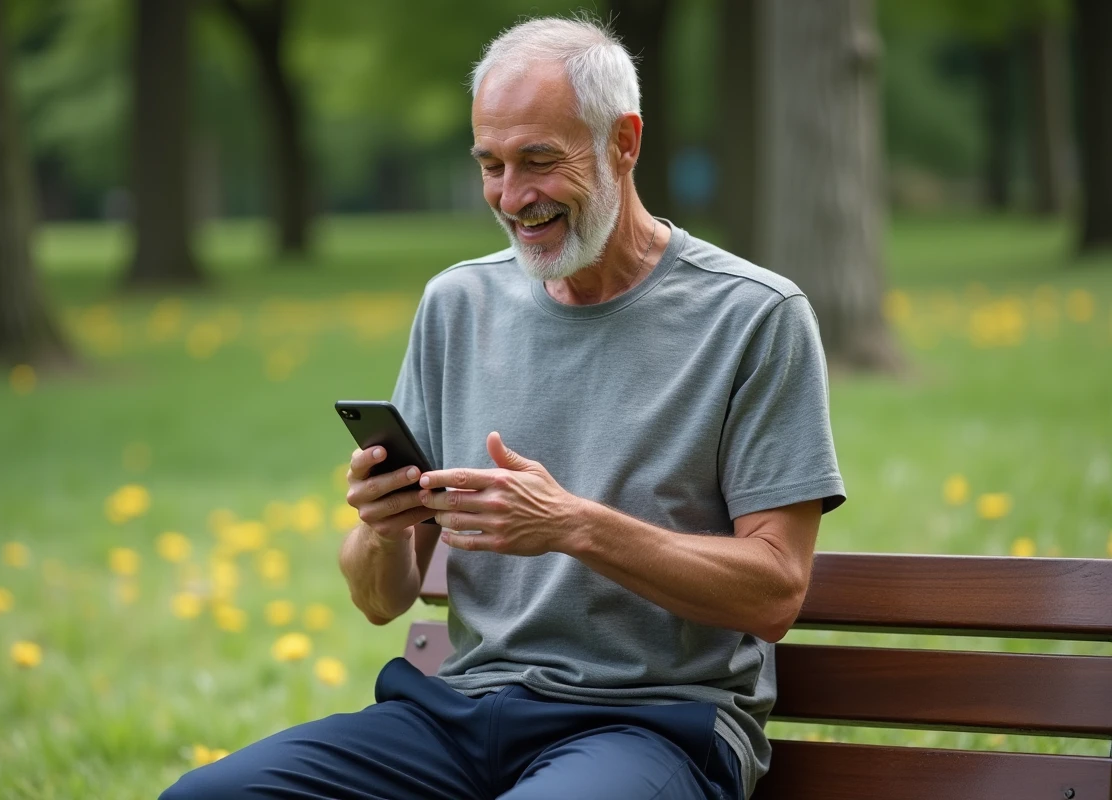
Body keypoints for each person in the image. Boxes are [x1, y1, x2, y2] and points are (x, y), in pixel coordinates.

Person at [160, 15, 844, 800]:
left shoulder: (754, 316)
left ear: (624, 142)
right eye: (491, 165)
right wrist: (383, 529)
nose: (513, 198)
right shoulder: (459, 304)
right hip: (458, 713)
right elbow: (382, 601)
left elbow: (775, 590)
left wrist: (573, 525)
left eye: (539, 162)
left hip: (655, 724)